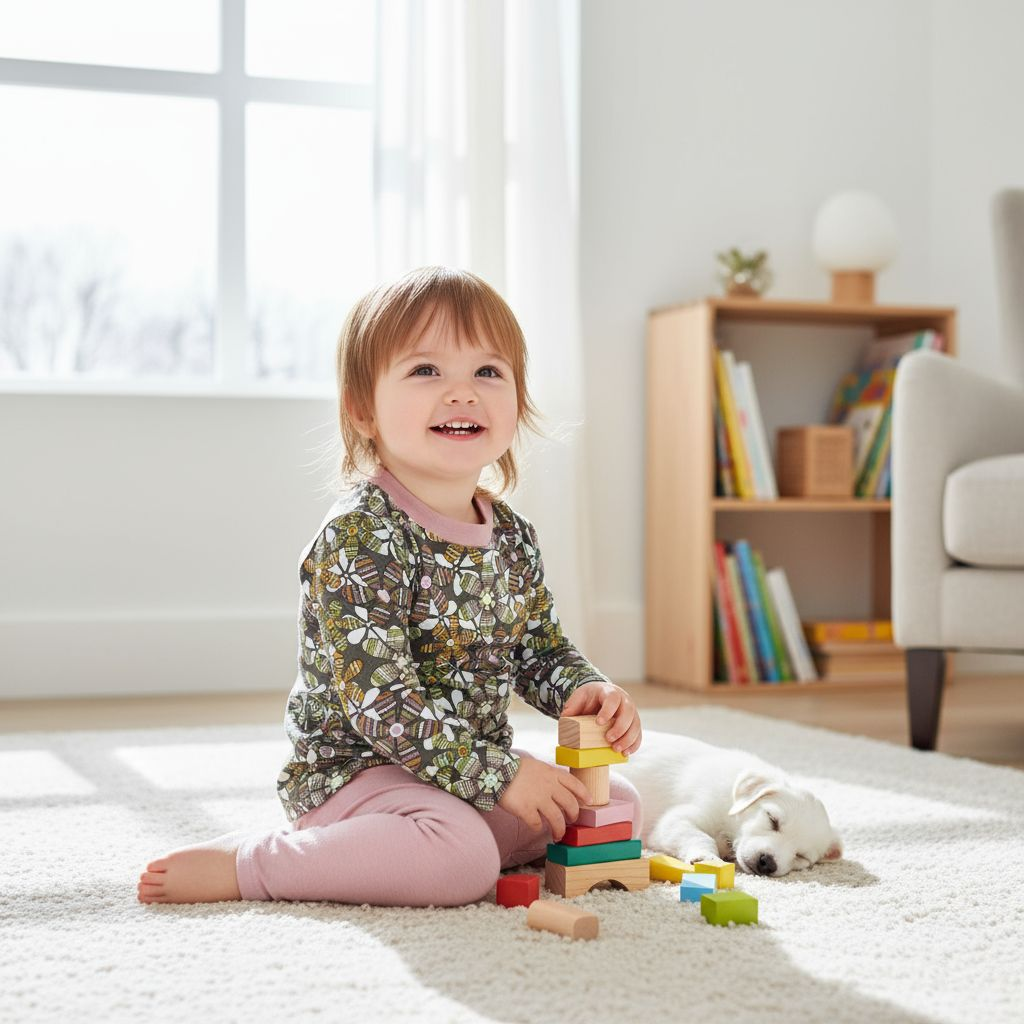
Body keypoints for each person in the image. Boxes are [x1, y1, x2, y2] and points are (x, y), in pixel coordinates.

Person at [137, 266, 644, 907]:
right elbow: (382, 705)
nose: (462, 393)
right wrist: (502, 774)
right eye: (426, 370)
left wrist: (584, 690)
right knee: (461, 859)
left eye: (488, 372)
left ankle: (421, 848)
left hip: (461, 778)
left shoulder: (513, 536)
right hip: (359, 775)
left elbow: (537, 649)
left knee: (613, 802)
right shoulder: (360, 536)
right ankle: (256, 865)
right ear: (362, 408)